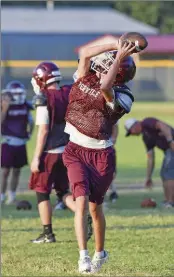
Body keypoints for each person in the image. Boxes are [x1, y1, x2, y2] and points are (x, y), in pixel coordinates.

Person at [63, 40, 136, 273]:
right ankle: (83, 256)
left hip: (101, 154)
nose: (103, 61)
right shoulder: (86, 76)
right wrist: (116, 43)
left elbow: (106, 87)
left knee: (96, 208)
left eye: (112, 61)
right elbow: (84, 52)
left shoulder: (123, 96)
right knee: (81, 201)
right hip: (75, 149)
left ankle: (100, 252)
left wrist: (117, 58)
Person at [29, 61, 92, 243]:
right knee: (63, 191)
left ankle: (47, 233)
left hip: (50, 151)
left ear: (41, 78)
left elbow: (43, 131)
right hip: (68, 150)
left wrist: (36, 157)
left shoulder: (44, 98)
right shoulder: (68, 92)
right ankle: (84, 215)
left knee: (42, 192)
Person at [124, 117, 174, 207]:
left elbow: (163, 126)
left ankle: (170, 202)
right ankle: (168, 201)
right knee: (164, 173)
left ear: (135, 126)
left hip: (171, 148)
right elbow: (150, 158)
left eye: (130, 131)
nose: (132, 134)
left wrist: (170, 141)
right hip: (168, 150)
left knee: (168, 172)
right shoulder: (146, 137)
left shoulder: (146, 122)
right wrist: (148, 177)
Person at [1, 81, 34, 204]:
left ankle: (12, 196)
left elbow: (31, 121)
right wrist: (4, 108)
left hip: (21, 142)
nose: (18, 96)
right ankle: (1, 195)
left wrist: (29, 134)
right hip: (8, 141)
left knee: (17, 170)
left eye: (20, 93)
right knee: (5, 171)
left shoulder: (25, 105)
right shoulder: (4, 105)